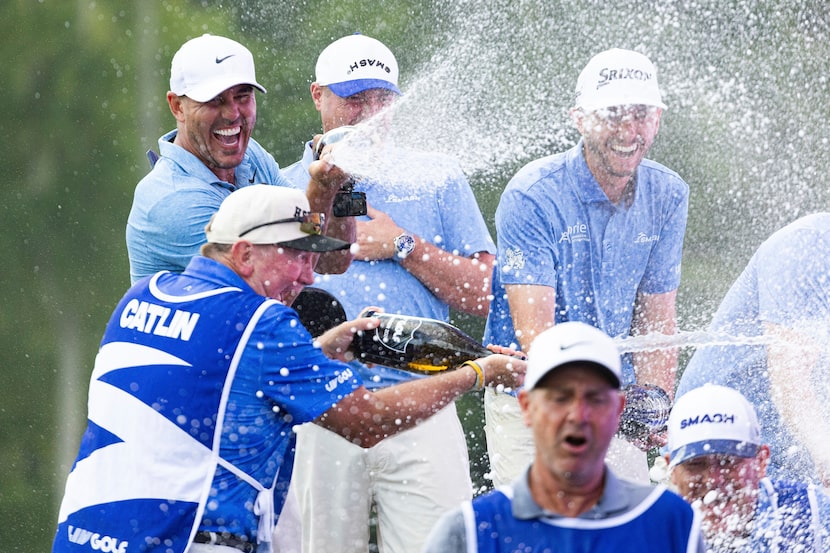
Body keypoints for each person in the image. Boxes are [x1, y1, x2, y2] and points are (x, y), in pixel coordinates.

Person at [52, 185, 524, 553]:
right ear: (244, 254)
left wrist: (316, 350)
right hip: (183, 538)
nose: (309, 275)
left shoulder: (144, 294)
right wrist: (477, 373)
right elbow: (367, 421)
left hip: (86, 533)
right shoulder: (263, 323)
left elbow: (217, 379)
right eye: (295, 255)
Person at [279, 33, 497, 553]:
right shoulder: (282, 185)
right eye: (354, 98)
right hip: (318, 406)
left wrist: (404, 245)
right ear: (318, 95)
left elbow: (485, 294)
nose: (368, 113)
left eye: (381, 100)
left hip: (423, 400)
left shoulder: (438, 177)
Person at [482, 47, 689, 485]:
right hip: (531, 394)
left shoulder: (668, 194)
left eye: (641, 114)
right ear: (579, 118)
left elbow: (656, 320)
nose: (628, 130)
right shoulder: (531, 195)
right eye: (613, 114)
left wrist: (655, 407)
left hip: (619, 398)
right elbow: (536, 336)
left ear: (657, 119)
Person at [422, 321, 705, 553]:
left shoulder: (671, 521)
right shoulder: (471, 531)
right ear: (527, 408)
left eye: (594, 398)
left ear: (618, 410)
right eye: (559, 397)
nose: (577, 415)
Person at [126, 34, 353, 284]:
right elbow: (268, 281)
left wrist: (340, 186)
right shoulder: (173, 200)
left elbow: (331, 259)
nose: (233, 114)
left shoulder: (249, 154)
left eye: (242, 97)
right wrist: (322, 187)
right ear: (177, 107)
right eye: (215, 100)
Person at [677, 213, 830, 485]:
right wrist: (824, 454)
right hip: (720, 436)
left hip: (792, 447)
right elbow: (790, 383)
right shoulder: (803, 247)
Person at [665, 384, 830, 552]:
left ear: (761, 461)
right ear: (672, 470)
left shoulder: (812, 513)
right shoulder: (655, 533)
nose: (713, 479)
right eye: (695, 464)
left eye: (727, 461)